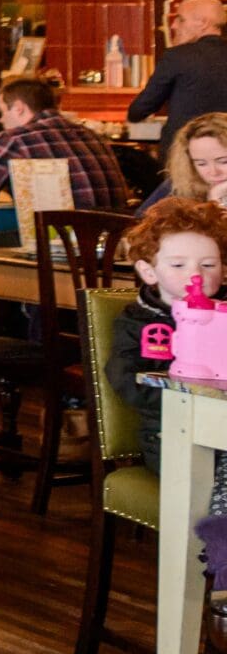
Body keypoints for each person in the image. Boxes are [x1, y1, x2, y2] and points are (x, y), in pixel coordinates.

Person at [109, 197, 227, 514]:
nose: (196, 274)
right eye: (178, 265)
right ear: (149, 272)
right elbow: (125, 380)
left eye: (209, 264)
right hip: (171, 436)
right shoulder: (138, 322)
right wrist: (184, 402)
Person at [0, 75, 130, 210]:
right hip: (112, 246)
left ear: (19, 109)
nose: (1, 120)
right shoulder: (92, 135)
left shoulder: (15, 139)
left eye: (3, 111)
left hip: (63, 248)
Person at [128, 0, 227, 151]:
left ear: (203, 23)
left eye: (180, 19)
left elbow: (139, 110)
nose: (173, 26)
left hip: (183, 155)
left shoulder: (177, 57)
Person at [140, 111, 227, 213]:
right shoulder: (181, 182)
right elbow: (141, 222)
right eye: (201, 164)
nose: (213, 172)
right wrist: (215, 202)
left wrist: (218, 203)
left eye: (224, 161)